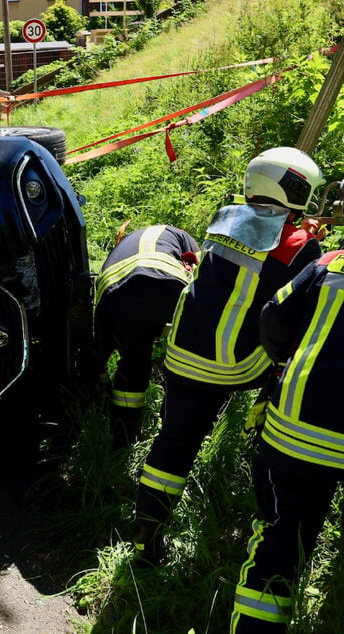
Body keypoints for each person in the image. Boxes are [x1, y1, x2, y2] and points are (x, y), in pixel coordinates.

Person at [132, 147, 325, 565]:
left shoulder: (225, 217)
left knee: (173, 443)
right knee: (284, 385)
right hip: (235, 365)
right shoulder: (299, 246)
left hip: (183, 350)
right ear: (296, 187)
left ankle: (145, 538)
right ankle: (258, 498)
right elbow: (292, 310)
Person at [227, 248, 343, 632]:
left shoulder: (333, 263)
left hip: (297, 427)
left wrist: (284, 364)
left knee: (282, 540)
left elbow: (273, 315)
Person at [93, 224, 199, 447]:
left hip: (120, 293)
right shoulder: (180, 236)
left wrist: (99, 368)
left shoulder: (120, 253)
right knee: (184, 361)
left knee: (134, 362)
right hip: (171, 285)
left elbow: (101, 324)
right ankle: (173, 431)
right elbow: (199, 271)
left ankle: (123, 436)